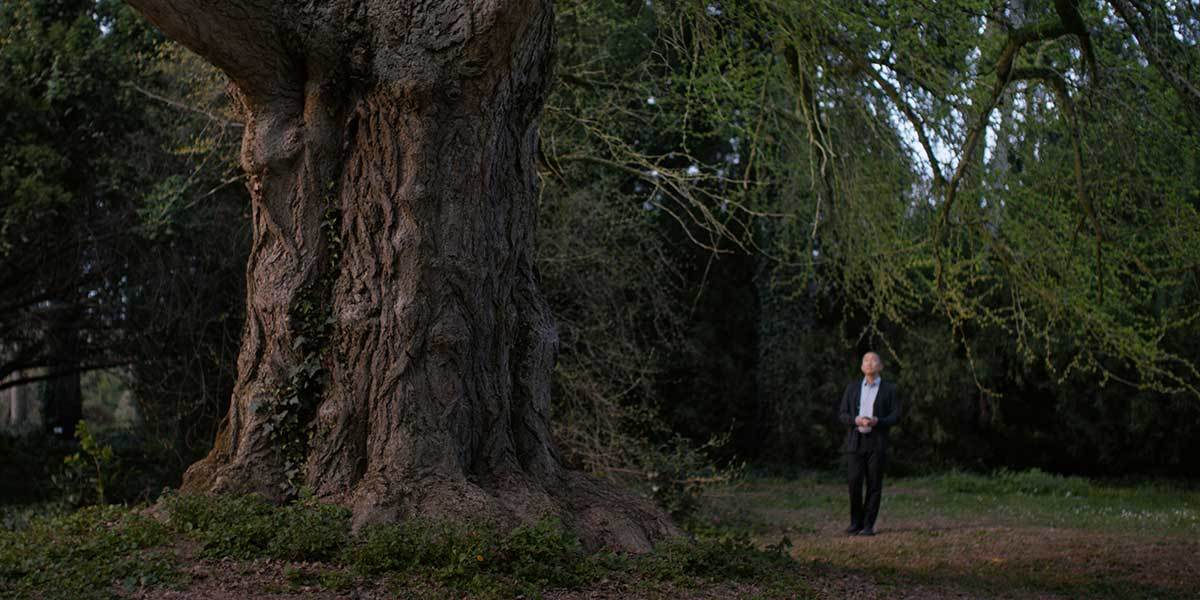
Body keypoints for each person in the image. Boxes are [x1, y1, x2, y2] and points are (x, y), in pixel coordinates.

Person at [838, 351, 901, 536]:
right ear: (861, 366)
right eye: (865, 360)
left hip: (877, 441)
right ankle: (855, 523)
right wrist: (856, 420)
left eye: (874, 360)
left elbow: (895, 416)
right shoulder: (852, 388)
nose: (869, 363)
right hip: (856, 440)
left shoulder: (890, 389)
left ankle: (868, 525)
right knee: (854, 482)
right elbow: (842, 414)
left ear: (880, 366)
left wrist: (877, 421)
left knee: (874, 484)